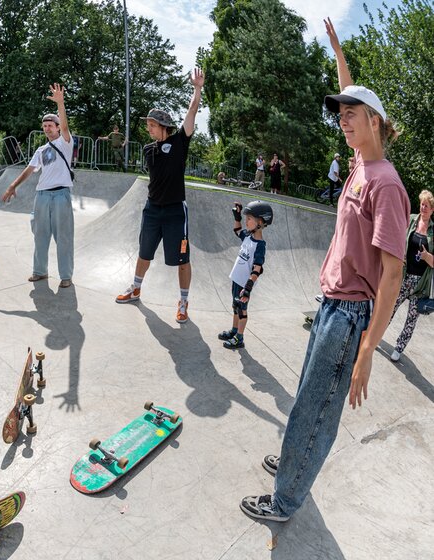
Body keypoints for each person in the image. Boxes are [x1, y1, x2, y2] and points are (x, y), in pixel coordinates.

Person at [239, 17, 408, 523]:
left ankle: (286, 498)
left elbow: (393, 277)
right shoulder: (359, 164)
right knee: (306, 396)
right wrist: (338, 52)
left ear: (373, 121)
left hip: (351, 317)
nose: (343, 121)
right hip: (330, 306)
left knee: (317, 410)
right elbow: (347, 93)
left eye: (352, 116)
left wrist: (367, 352)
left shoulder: (386, 185)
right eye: (341, 116)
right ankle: (295, 463)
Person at [114, 68, 205, 324]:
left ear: (164, 127)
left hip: (176, 211)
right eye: (147, 125)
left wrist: (197, 89)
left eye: (152, 125)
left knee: (182, 259)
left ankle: (184, 301)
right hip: (153, 209)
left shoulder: (179, 142)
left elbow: (191, 113)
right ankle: (135, 288)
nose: (148, 129)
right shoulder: (148, 149)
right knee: (144, 252)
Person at [0, 84, 75, 289]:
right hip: (41, 196)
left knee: (64, 237)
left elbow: (67, 127)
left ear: (58, 127)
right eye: (45, 125)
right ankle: (40, 271)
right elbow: (30, 169)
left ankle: (66, 275)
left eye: (51, 125)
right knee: (40, 235)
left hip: (61, 195)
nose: (47, 127)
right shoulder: (41, 149)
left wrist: (60, 102)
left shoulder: (66, 143)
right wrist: (13, 185)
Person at [219, 201, 272, 349]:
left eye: (249, 219)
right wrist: (237, 218)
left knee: (242, 310)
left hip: (244, 285)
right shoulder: (248, 237)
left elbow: (257, 268)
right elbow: (237, 230)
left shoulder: (260, 245)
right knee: (235, 306)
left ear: (260, 222)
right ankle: (234, 331)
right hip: (236, 280)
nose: (246, 221)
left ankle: (239, 338)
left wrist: (248, 288)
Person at [388, 189, 434, 361]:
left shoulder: (433, 231)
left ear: (432, 210)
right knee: (390, 308)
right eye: (422, 204)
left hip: (421, 282)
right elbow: (397, 236)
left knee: (411, 319)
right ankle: (376, 336)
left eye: (427, 206)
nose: (423, 207)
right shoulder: (411, 219)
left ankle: (399, 348)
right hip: (404, 276)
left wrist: (427, 256)